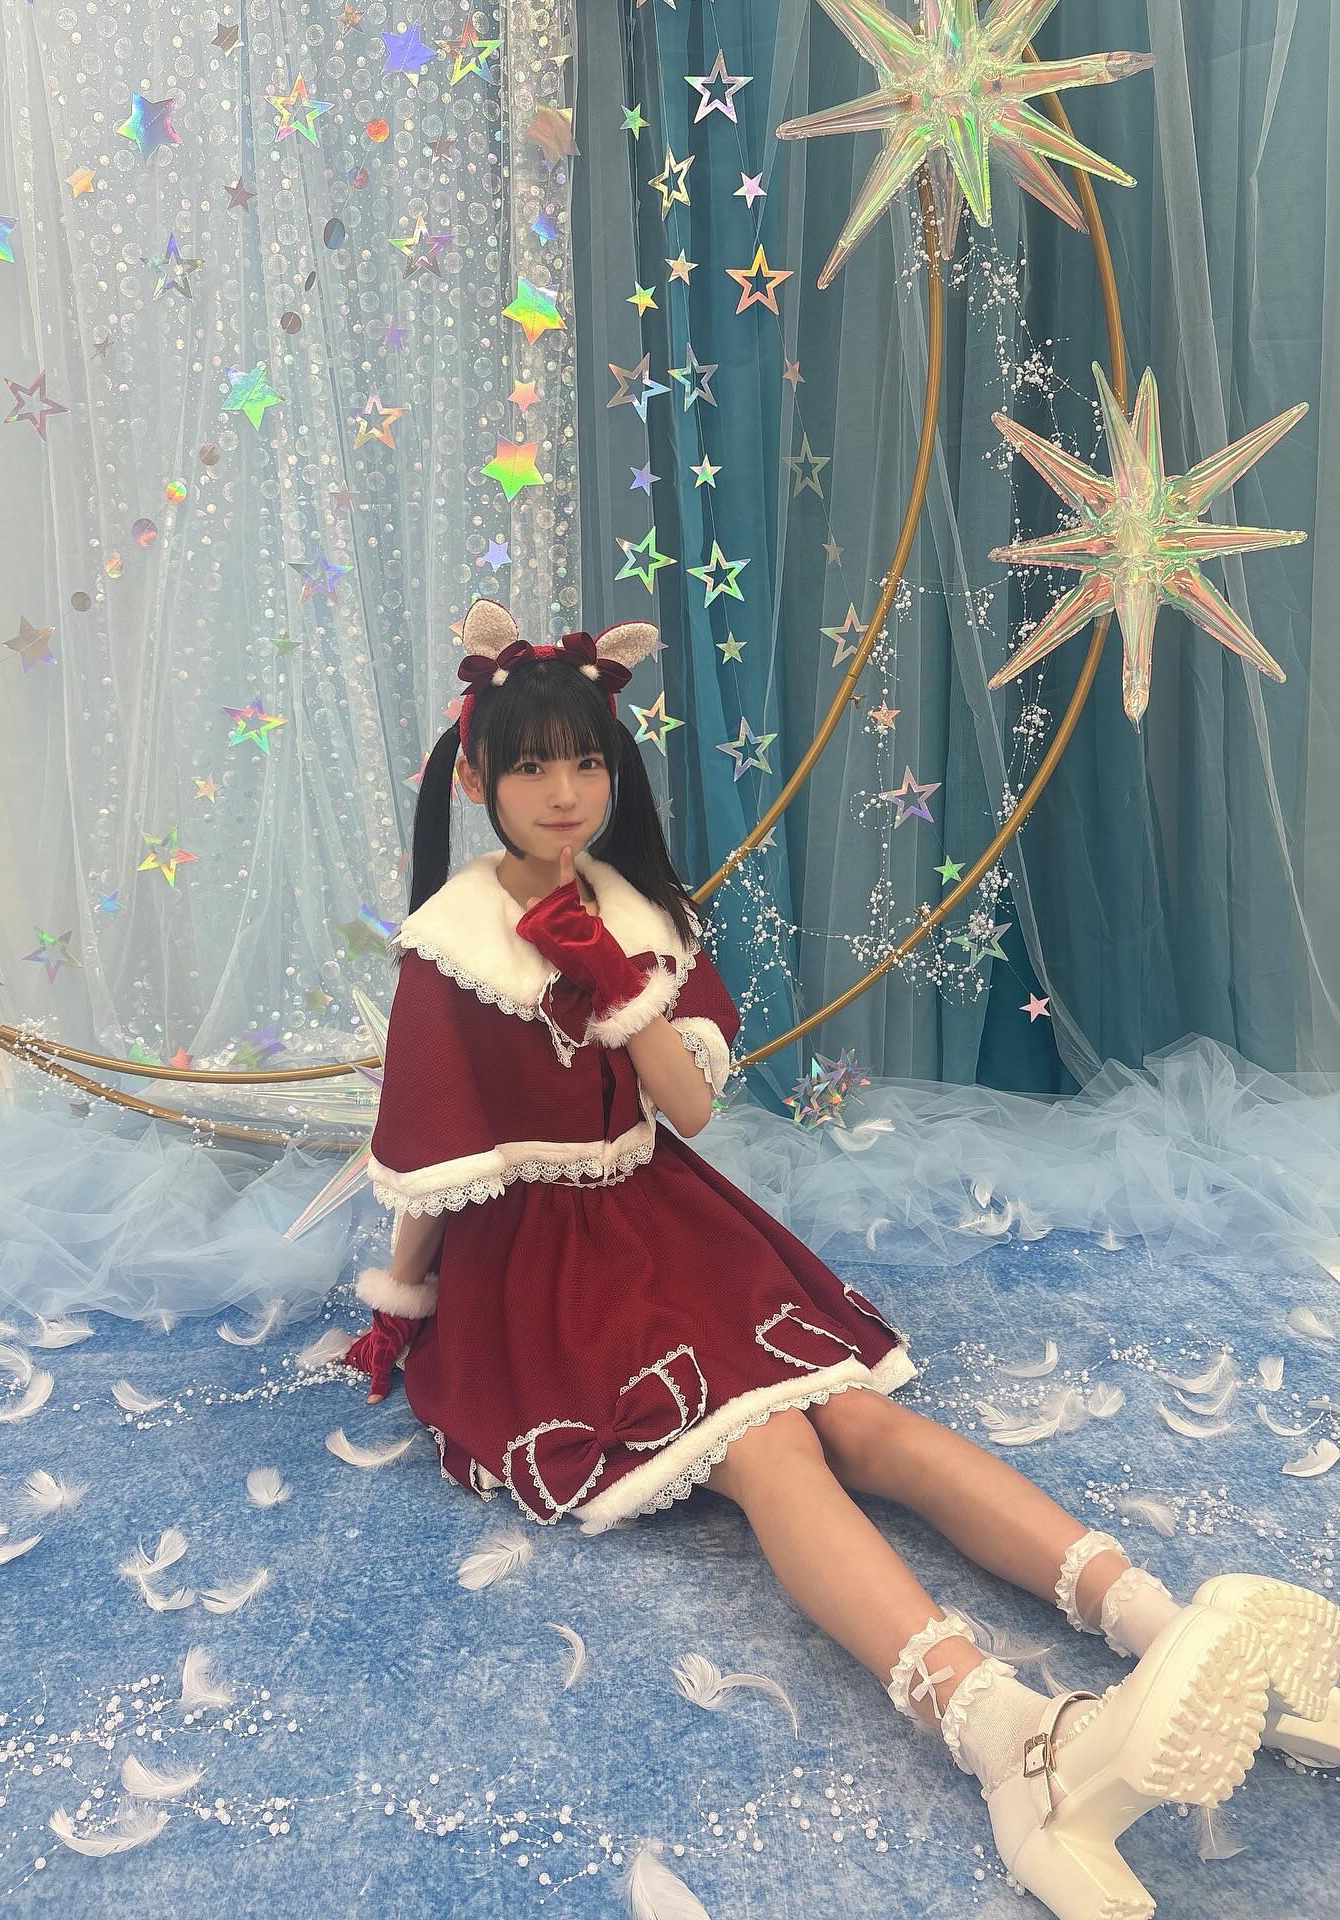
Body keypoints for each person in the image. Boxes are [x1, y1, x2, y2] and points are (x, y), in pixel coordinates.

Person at [344, 599, 1339, 1920]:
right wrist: (403, 1302)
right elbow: (427, 1159)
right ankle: (1007, 1739)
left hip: (663, 1220)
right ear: (476, 780)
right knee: (770, 1448)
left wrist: (619, 984)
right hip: (540, 1271)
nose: (566, 792)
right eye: (532, 767)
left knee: (859, 1419)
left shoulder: (634, 915)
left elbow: (689, 1113)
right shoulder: (449, 952)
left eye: (587, 761)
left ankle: (1163, 1625)